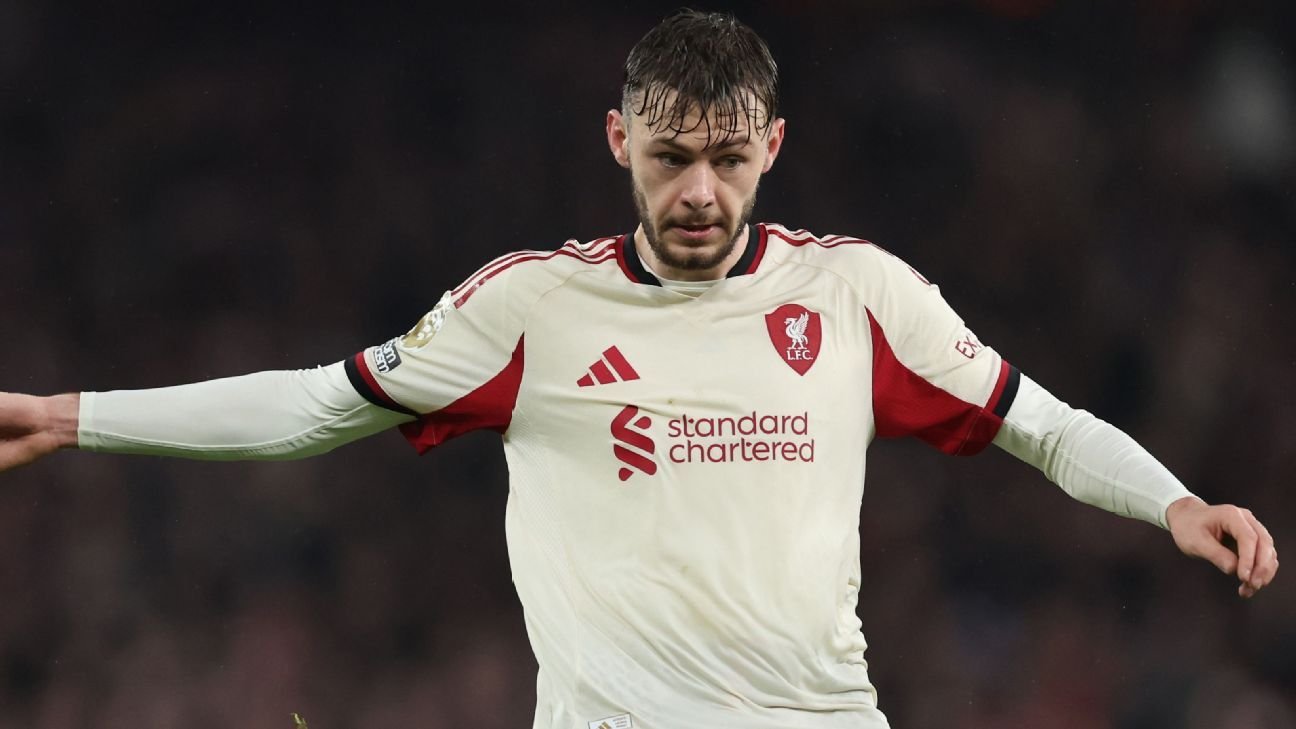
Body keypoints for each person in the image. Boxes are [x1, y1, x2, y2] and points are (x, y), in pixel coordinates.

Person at [0, 9, 1280, 729]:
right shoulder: (532, 308)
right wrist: (69, 418)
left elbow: (1039, 423)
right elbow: (314, 405)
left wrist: (1173, 501)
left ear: (773, 145)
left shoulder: (856, 295)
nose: (700, 192)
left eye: (728, 157)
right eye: (671, 158)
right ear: (620, 140)